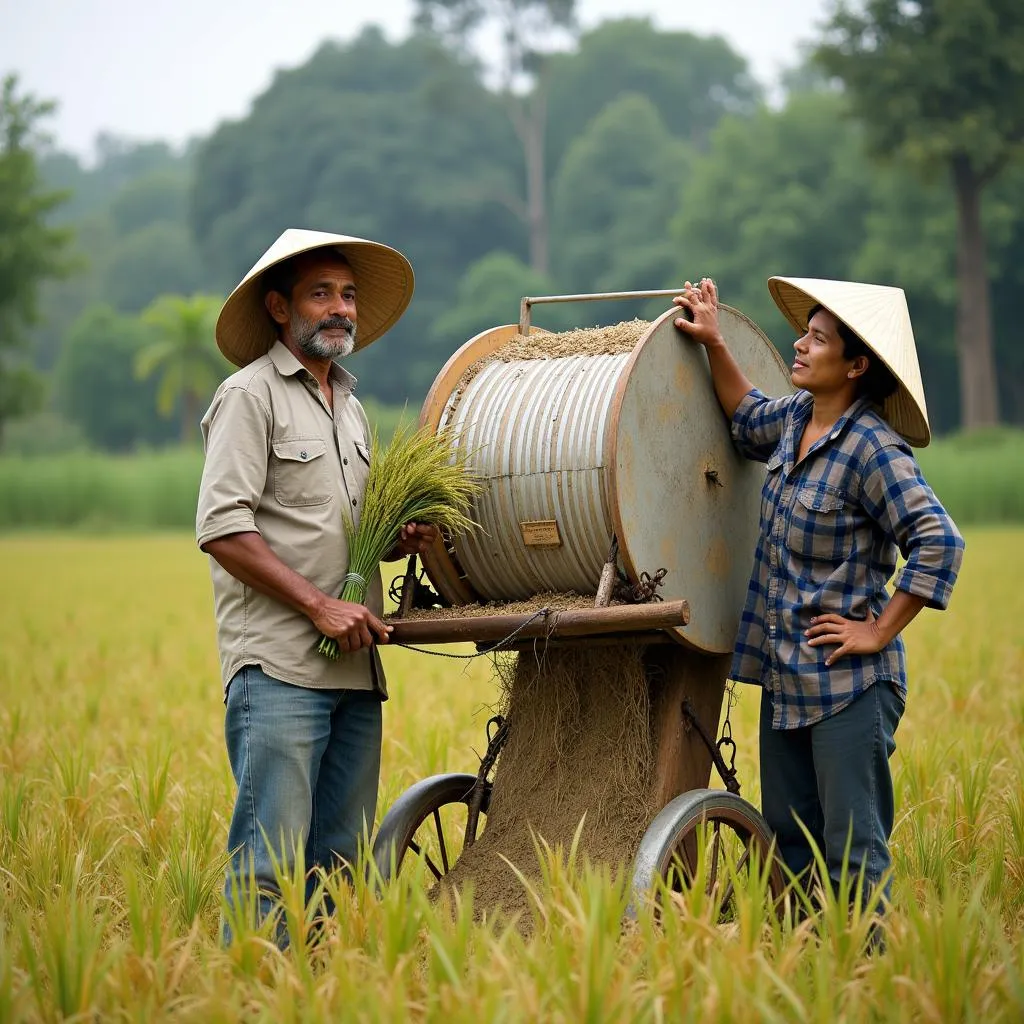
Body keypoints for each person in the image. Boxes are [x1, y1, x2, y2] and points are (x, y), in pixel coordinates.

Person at [673, 275, 964, 915]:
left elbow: (939, 542)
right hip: (786, 683)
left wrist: (878, 630)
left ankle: (867, 987)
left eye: (818, 338)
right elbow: (745, 412)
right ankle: (808, 983)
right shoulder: (793, 420)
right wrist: (716, 341)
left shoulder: (873, 450)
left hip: (848, 688)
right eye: (805, 331)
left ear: (857, 365)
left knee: (854, 855)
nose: (799, 345)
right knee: (789, 853)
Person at [196, 228, 438, 943]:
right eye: (321, 294)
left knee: (341, 865)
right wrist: (319, 606)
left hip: (357, 674)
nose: (341, 309)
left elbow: (344, 534)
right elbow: (221, 526)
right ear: (279, 307)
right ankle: (255, 997)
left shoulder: (350, 409)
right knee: (268, 866)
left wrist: (397, 543)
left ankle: (322, 997)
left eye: (349, 295)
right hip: (280, 670)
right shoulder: (249, 397)